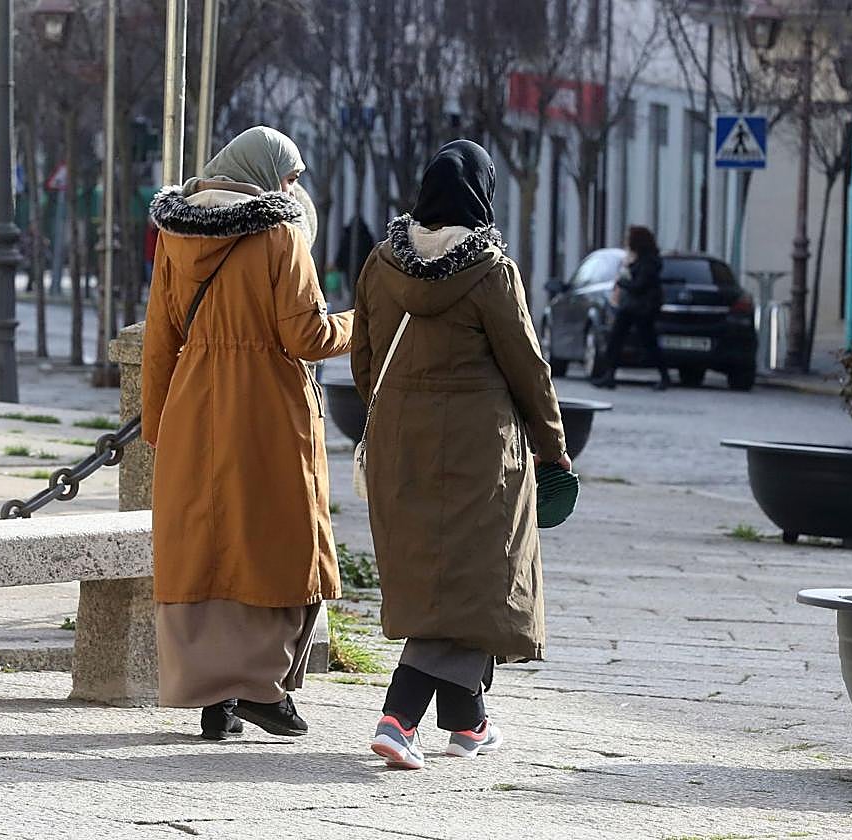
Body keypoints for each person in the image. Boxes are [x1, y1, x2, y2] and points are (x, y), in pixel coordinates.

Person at [351, 140, 568, 770]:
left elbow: (364, 359)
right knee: (479, 582)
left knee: (436, 579)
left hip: (402, 444)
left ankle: (469, 724)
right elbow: (528, 367)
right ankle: (399, 716)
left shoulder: (378, 263)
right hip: (480, 452)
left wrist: (398, 416)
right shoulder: (491, 271)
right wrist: (553, 449)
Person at [143, 126, 354, 741]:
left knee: (208, 546)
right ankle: (264, 687)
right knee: (281, 539)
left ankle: (217, 700)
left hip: (192, 403)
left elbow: (160, 337)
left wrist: (160, 426)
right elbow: (306, 336)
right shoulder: (281, 234)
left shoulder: (176, 234)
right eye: (290, 176)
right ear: (264, 172)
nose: (294, 189)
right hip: (267, 404)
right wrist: (359, 325)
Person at [592, 225, 670, 391]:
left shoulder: (649, 262)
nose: (626, 240)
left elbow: (639, 285)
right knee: (616, 338)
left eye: (629, 237)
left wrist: (623, 282)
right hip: (632, 307)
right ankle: (609, 375)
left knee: (648, 341)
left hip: (641, 308)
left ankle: (664, 376)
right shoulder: (639, 259)